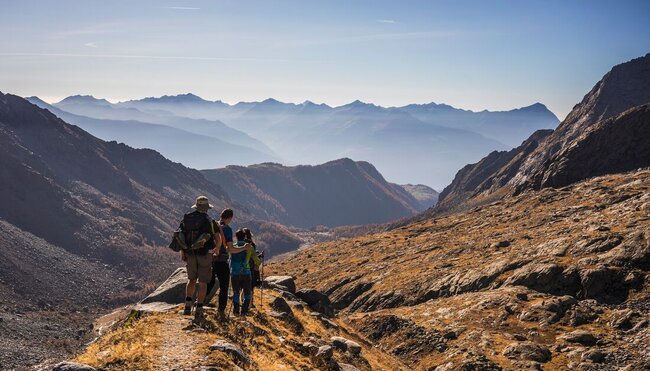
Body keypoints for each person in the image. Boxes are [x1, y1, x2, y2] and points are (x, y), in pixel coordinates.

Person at [179, 196, 217, 321]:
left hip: (190, 253)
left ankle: (187, 306)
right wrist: (216, 249)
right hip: (204, 254)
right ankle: (199, 309)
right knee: (203, 282)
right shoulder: (209, 220)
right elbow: (217, 237)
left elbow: (181, 235)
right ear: (206, 208)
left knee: (191, 280)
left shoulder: (187, 218)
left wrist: (183, 251)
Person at [207, 208, 248, 317]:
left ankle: (198, 304)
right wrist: (244, 248)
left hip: (210, 259)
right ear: (229, 218)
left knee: (209, 283)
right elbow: (231, 249)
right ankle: (221, 311)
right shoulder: (227, 229)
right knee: (224, 286)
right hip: (221, 260)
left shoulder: (213, 225)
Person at [230, 228, 259, 315]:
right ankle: (244, 310)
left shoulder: (233, 247)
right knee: (247, 292)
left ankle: (236, 310)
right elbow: (257, 261)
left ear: (236, 237)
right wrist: (260, 257)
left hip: (235, 273)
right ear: (245, 236)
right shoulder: (249, 247)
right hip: (246, 273)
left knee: (236, 292)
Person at [242, 228, 264, 307]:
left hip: (238, 267)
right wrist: (260, 257)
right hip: (249, 267)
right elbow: (253, 256)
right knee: (250, 287)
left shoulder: (238, 243)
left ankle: (241, 303)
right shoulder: (252, 245)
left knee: (241, 286)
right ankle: (249, 304)